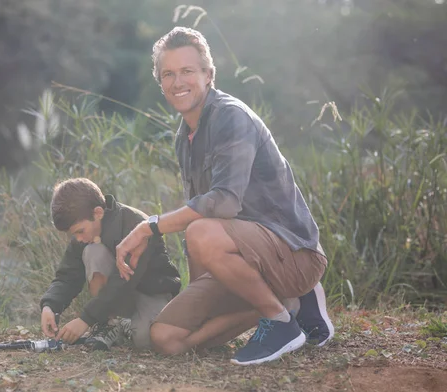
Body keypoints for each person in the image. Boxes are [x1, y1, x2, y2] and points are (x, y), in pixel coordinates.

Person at [115, 27, 334, 365]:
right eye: (168, 74)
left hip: (294, 254)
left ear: (209, 75)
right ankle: (287, 305)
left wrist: (149, 226)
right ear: (160, 83)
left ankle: (280, 321)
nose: (177, 82)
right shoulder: (184, 136)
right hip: (240, 259)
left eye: (187, 71)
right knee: (165, 337)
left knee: (199, 230)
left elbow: (223, 204)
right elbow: (202, 215)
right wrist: (201, 304)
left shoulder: (231, 116)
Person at [40, 178, 180, 351]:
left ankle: (126, 325)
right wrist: (49, 306)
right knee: (93, 252)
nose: (78, 238)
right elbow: (67, 276)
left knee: (145, 340)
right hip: (118, 296)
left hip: (150, 291)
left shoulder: (136, 225)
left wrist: (85, 319)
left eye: (79, 231)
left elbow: (123, 281)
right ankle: (110, 323)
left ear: (98, 213)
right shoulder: (84, 235)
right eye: (73, 234)